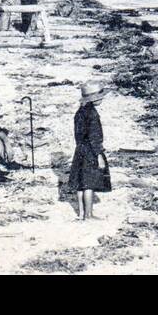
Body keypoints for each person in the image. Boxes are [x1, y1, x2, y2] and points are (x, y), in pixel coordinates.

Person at [69, 82, 109, 220]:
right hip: (90, 151)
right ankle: (89, 214)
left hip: (79, 149)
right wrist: (99, 155)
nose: (102, 99)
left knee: (81, 183)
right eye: (101, 97)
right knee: (89, 184)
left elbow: (78, 134)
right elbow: (94, 137)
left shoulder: (80, 112)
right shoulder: (92, 114)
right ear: (95, 99)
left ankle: (81, 213)